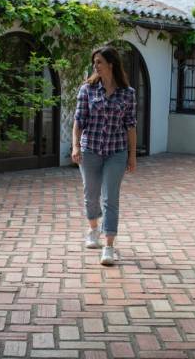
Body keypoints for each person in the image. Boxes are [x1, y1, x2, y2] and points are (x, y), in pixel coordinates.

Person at [71, 45, 137, 266]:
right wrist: (76, 147)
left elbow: (131, 126)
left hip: (116, 152)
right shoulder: (86, 90)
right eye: (94, 62)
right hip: (90, 150)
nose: (95, 66)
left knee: (111, 199)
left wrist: (132, 156)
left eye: (99, 62)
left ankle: (108, 246)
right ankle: (93, 229)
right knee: (91, 194)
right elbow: (78, 122)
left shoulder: (128, 94)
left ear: (111, 64)